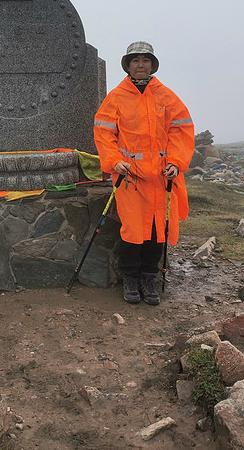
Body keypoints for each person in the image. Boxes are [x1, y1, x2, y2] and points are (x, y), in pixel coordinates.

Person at [93, 41, 194, 305]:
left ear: (152, 65)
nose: (140, 65)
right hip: (130, 177)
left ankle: (149, 278)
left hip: (162, 177)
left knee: (157, 230)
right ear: (128, 65)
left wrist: (176, 162)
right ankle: (130, 278)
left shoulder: (166, 96)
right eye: (135, 60)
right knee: (133, 230)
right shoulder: (116, 97)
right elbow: (104, 134)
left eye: (145, 60)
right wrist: (115, 161)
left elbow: (181, 131)